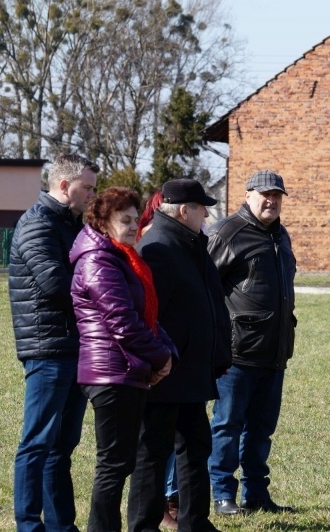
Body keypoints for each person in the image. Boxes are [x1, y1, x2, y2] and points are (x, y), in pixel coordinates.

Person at [70, 187, 176, 531]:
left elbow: (146, 316)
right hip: (110, 373)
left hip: (126, 370)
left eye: (135, 219)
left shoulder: (122, 257)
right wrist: (161, 358)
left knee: (120, 463)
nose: (134, 226)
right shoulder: (98, 260)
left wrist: (167, 352)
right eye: (125, 220)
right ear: (103, 222)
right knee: (113, 464)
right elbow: (123, 322)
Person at [128, 179, 231, 532]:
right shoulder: (159, 246)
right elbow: (149, 315)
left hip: (191, 370)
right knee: (153, 452)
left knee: (195, 447)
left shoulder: (188, 243)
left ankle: (195, 522)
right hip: (167, 371)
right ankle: (143, 525)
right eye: (202, 208)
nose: (207, 213)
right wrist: (162, 359)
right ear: (185, 211)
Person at [8, 153, 98, 531]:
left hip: (74, 347)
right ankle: (29, 525)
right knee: (37, 443)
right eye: (87, 188)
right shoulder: (37, 225)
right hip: (48, 349)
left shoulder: (71, 225)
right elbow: (57, 286)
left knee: (62, 447)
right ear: (64, 186)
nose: (93, 195)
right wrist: (102, 296)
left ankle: (62, 525)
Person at [207, 170, 297, 515]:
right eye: (264, 194)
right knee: (228, 426)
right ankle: (222, 494)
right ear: (248, 195)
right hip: (236, 353)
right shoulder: (228, 232)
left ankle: (257, 495)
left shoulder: (281, 236)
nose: (271, 201)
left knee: (261, 430)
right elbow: (205, 285)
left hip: (273, 352)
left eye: (277, 195)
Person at [137, 187, 181, 529]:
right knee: (156, 440)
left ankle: (171, 498)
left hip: (176, 352)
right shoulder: (153, 244)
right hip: (157, 354)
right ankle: (161, 504)